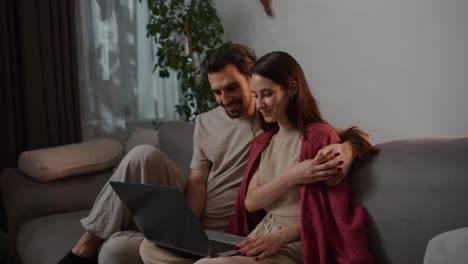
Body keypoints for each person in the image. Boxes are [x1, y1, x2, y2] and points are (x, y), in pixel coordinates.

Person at [59, 43, 360, 264]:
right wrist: (183, 231)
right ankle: (85, 245)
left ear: (251, 77)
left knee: (121, 252)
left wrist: (349, 148)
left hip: (244, 230)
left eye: (233, 89)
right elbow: (198, 182)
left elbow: (329, 134)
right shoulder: (213, 124)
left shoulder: (271, 121)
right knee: (141, 157)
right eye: (216, 92)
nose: (225, 99)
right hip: (201, 220)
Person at [138, 47, 374, 264]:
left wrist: (349, 148)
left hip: (295, 242)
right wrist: (294, 175)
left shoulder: (318, 136)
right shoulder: (266, 139)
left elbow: (329, 215)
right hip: (257, 235)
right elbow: (250, 202)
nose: (259, 103)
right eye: (256, 95)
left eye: (267, 94)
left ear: (292, 88)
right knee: (150, 248)